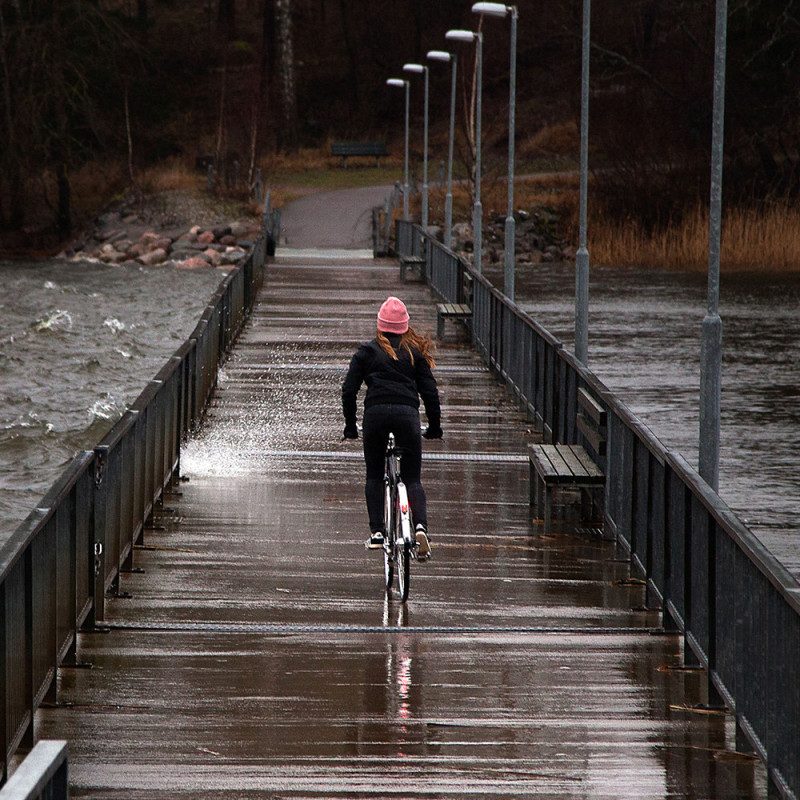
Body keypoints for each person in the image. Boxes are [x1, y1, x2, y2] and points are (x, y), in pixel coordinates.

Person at [342, 296, 442, 558]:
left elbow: (348, 391)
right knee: (412, 479)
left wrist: (350, 426)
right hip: (407, 416)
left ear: (380, 326)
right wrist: (434, 426)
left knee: (375, 476)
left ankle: (377, 532)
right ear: (405, 327)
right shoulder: (414, 354)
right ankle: (419, 526)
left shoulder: (366, 352)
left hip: (375, 415)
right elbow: (430, 392)